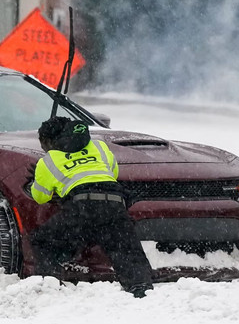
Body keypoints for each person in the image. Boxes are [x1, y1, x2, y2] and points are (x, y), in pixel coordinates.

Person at [27, 116, 154, 298]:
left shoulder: (48, 161)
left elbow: (40, 197)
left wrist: (37, 180)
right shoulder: (100, 147)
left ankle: (49, 286)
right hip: (115, 204)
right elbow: (112, 172)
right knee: (126, 250)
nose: (43, 149)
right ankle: (141, 289)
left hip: (81, 208)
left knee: (43, 240)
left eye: (42, 145)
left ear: (48, 141)